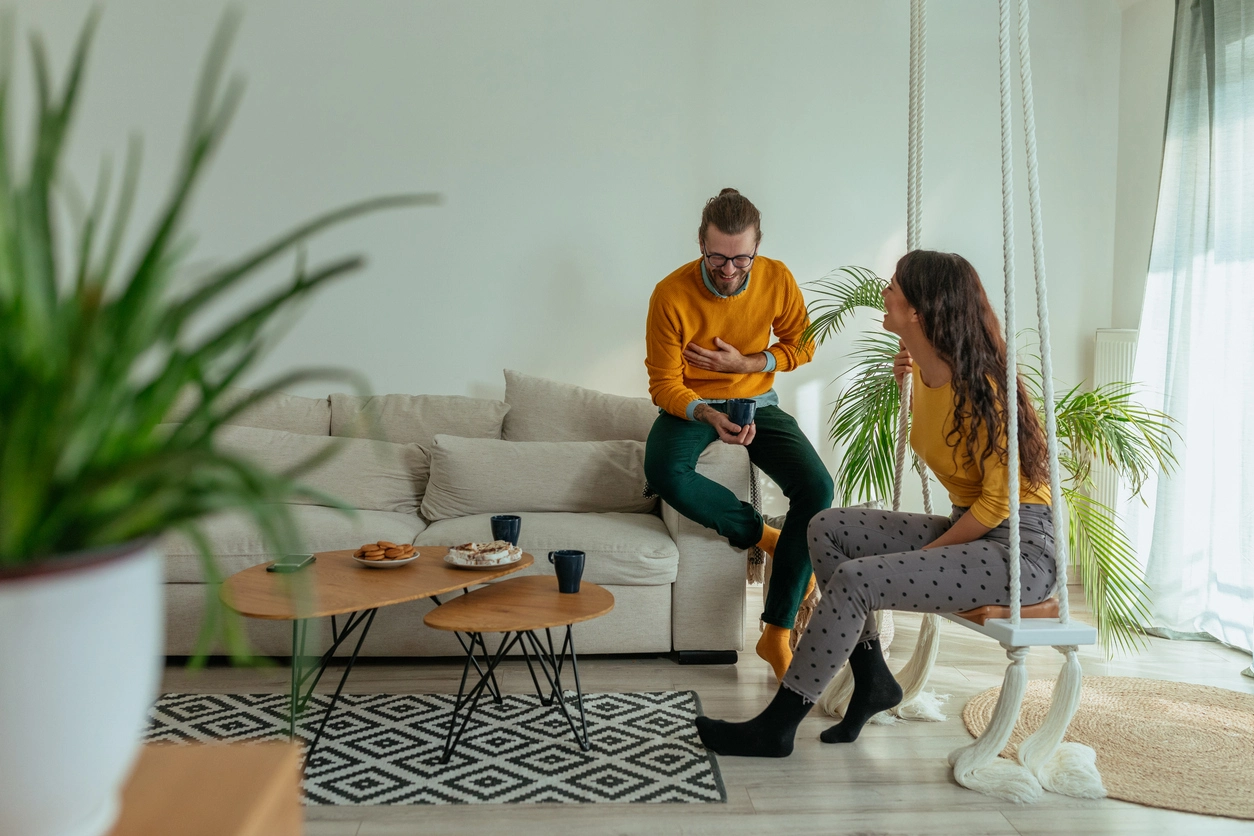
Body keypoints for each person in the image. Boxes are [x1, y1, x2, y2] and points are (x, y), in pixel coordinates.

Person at [695, 249, 1057, 757]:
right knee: (827, 527)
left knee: (859, 579)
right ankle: (873, 680)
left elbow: (998, 506)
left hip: (1020, 551)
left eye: (894, 286)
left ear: (920, 310)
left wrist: (924, 558)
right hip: (973, 528)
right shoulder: (925, 371)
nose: (883, 292)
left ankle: (777, 725)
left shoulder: (986, 388)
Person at [643, 188, 834, 680]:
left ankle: (775, 633)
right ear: (701, 245)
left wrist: (749, 362)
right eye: (718, 257)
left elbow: (802, 344)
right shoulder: (670, 293)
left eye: (741, 258)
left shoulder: (776, 277)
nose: (729, 270)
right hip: (695, 405)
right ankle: (761, 535)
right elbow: (663, 383)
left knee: (817, 488)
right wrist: (706, 414)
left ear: (757, 248)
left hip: (759, 402)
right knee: (664, 469)